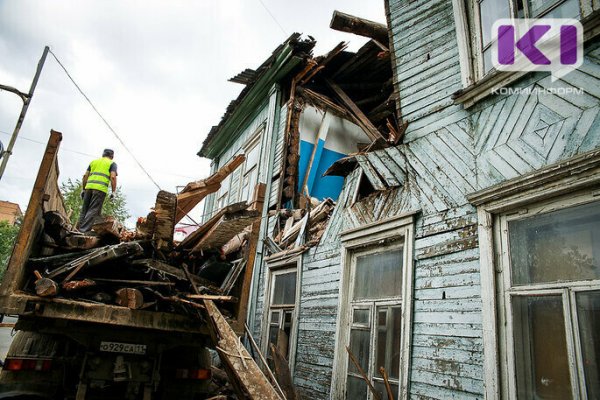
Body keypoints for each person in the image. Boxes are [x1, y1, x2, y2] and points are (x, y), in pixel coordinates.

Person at [78, 149, 117, 232]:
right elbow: (113, 177)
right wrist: (113, 192)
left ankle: (78, 229)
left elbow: (85, 176)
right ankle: (83, 231)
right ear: (112, 156)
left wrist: (83, 189)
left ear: (103, 154)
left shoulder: (93, 162)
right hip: (100, 189)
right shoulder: (112, 164)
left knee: (84, 209)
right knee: (93, 210)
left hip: (88, 187)